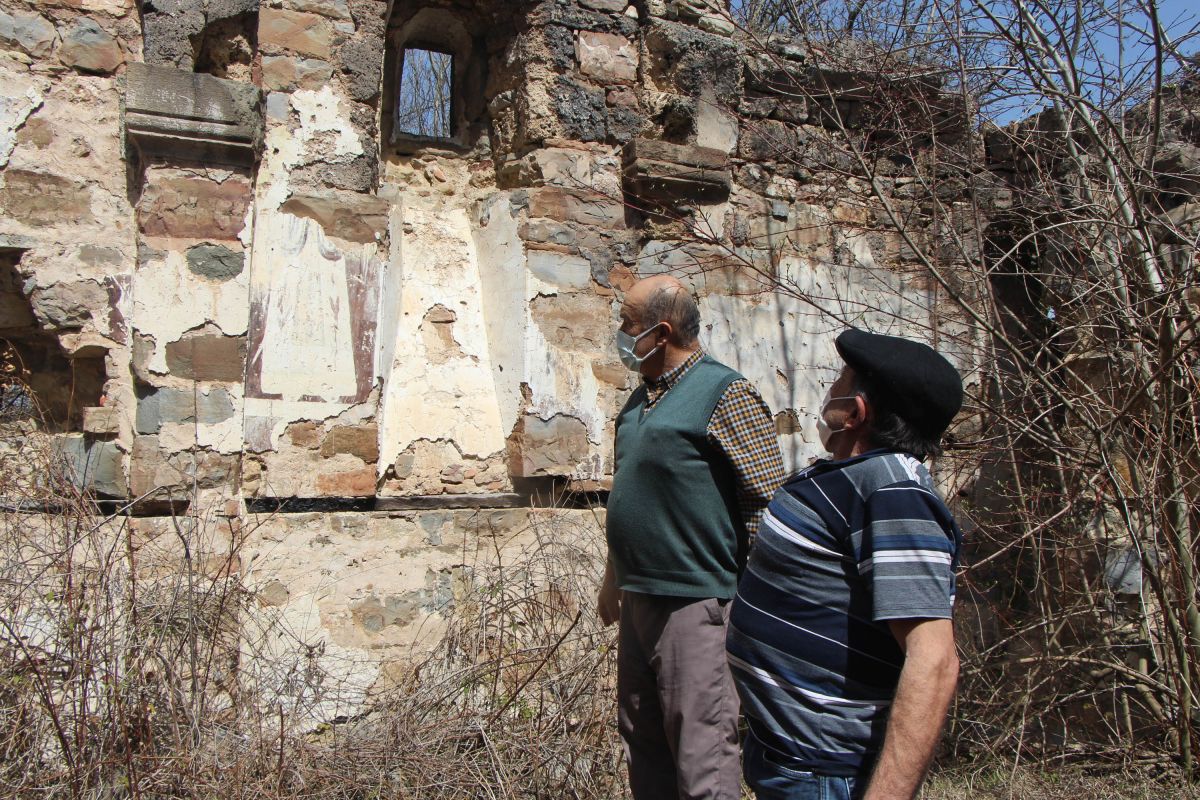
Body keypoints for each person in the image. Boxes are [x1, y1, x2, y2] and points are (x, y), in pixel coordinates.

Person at [727, 328, 964, 800]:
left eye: (839, 381)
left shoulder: (894, 492)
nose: (828, 392)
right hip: (792, 763)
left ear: (855, 412)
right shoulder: (855, 478)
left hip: (828, 777)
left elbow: (934, 660)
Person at [598, 274, 786, 800]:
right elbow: (631, 496)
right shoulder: (639, 402)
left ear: (660, 332)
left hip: (696, 604)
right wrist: (614, 578)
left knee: (701, 752)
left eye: (627, 323)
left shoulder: (726, 393)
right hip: (640, 598)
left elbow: (764, 502)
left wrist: (756, 603)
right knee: (644, 742)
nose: (619, 332)